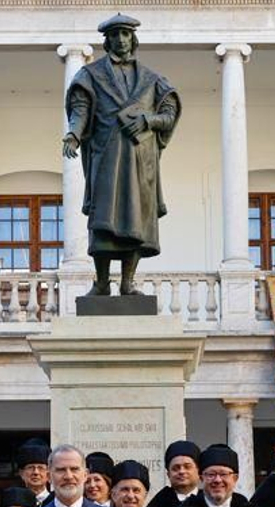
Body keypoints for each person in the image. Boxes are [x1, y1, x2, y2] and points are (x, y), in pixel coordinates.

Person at [62, 14, 182, 297]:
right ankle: (102, 282)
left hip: (141, 160)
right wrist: (73, 134)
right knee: (103, 221)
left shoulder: (152, 80)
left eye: (126, 34)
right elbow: (80, 108)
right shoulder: (91, 75)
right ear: (108, 40)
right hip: (106, 157)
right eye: (115, 34)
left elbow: (170, 113)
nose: (121, 39)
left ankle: (128, 283)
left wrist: (149, 121)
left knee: (136, 220)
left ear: (133, 38)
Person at [143, 440, 201, 507]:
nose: (181, 471)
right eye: (176, 468)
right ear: (168, 474)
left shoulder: (208, 501)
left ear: (198, 471)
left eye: (187, 467)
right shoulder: (158, 505)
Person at [16, 439, 53, 507]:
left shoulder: (56, 503)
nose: (36, 472)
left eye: (40, 468)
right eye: (30, 467)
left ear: (49, 474)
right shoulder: (14, 505)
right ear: (21, 473)